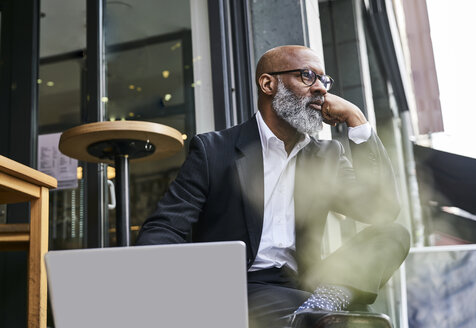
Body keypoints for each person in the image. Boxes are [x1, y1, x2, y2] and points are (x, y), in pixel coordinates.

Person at [136, 45, 410, 328]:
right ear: (268, 83)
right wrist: (174, 292)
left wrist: (358, 121)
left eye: (323, 80)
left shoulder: (326, 156)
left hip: (308, 285)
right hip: (240, 287)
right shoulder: (213, 150)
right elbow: (165, 227)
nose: (320, 89)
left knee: (393, 233)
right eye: (307, 76)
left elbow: (381, 209)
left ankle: (324, 305)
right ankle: (315, 315)